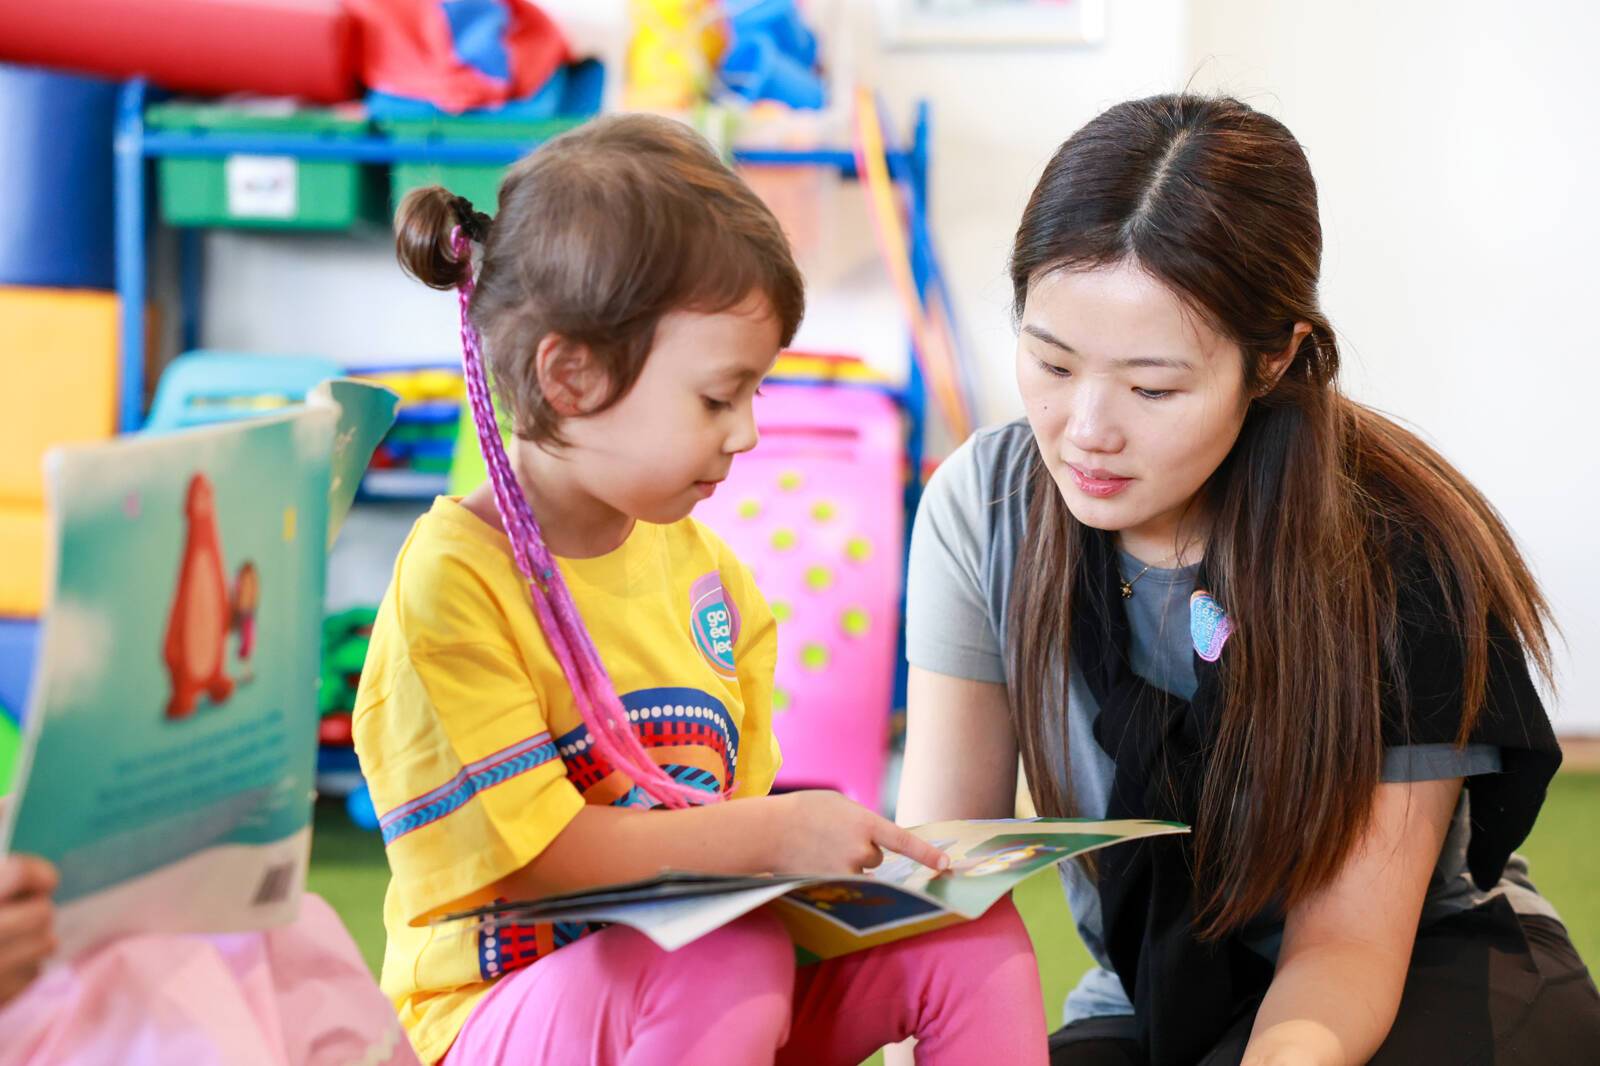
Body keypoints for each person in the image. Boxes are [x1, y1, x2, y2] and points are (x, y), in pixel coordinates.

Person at [897, 94, 1600, 1065]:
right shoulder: (984, 508)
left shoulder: (1394, 546)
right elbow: (946, 878)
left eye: (1152, 388)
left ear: (1274, 359)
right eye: (1051, 361)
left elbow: (1344, 950)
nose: (1087, 428)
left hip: (1415, 970)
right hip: (1150, 994)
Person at [354, 113, 1049, 1066]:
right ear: (571, 376)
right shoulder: (455, 584)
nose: (747, 433)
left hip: (702, 992)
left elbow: (724, 854)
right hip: (490, 1018)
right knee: (725, 956)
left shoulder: (708, 578)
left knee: (968, 938)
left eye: (755, 394)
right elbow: (530, 860)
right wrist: (770, 833)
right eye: (718, 397)